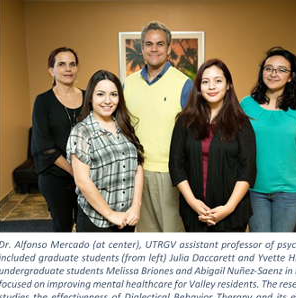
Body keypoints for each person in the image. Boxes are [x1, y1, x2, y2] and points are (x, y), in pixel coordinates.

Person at [169, 59, 257, 234]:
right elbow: (176, 165)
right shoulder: (184, 121)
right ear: (199, 88)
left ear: (228, 86)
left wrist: (228, 208)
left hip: (232, 212)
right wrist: (193, 203)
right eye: (205, 81)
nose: (211, 86)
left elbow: (247, 169)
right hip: (194, 212)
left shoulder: (242, 123)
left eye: (218, 80)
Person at [123, 20, 193, 234]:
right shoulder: (128, 83)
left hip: (169, 172)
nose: (154, 49)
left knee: (173, 232)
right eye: (149, 44)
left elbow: (193, 132)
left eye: (160, 44)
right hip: (136, 170)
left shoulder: (185, 84)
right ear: (142, 48)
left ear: (168, 48)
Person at [240, 46, 296, 234]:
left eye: (282, 70)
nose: (273, 74)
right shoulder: (246, 104)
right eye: (269, 68)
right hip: (253, 188)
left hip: (290, 191)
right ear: (262, 72)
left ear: (291, 76)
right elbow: (237, 143)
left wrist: (280, 154)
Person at [66, 70, 144, 234]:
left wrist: (136, 207)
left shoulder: (124, 127)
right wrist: (110, 214)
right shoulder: (82, 131)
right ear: (91, 97)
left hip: (126, 217)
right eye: (101, 94)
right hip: (96, 221)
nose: (108, 101)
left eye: (113, 94)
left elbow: (137, 167)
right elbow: (82, 181)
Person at [31, 47, 84, 233]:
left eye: (72, 64)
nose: (68, 68)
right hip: (55, 176)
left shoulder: (89, 98)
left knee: (87, 225)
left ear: (77, 69)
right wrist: (75, 172)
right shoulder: (42, 101)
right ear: (51, 71)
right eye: (61, 64)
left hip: (87, 175)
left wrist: (84, 174)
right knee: (63, 227)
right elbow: (44, 146)